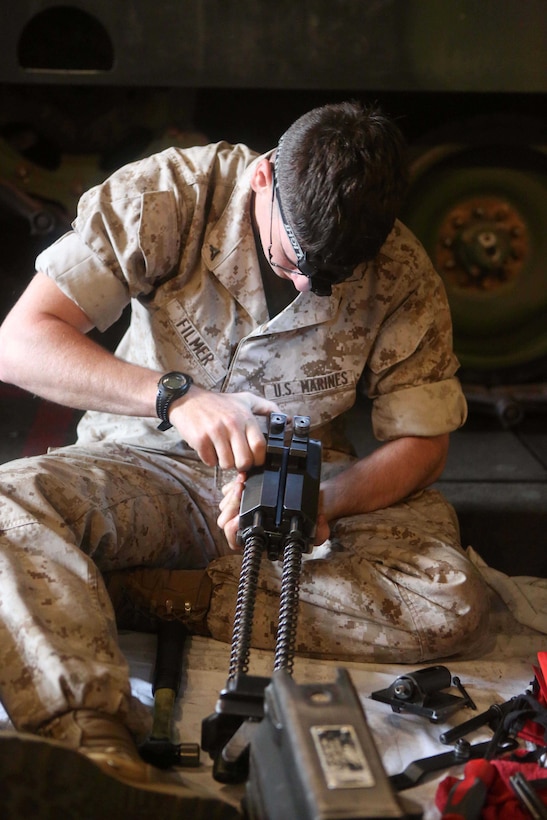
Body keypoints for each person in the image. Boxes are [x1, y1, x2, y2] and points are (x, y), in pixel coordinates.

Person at [0, 101, 489, 806]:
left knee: (452, 599)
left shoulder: (399, 267)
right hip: (149, 464)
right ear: (262, 178)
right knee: (9, 502)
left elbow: (422, 442)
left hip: (299, 487)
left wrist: (329, 499)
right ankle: (90, 738)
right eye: (294, 262)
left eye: (330, 278)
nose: (304, 287)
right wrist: (177, 396)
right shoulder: (168, 197)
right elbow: (20, 342)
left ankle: (143, 594)